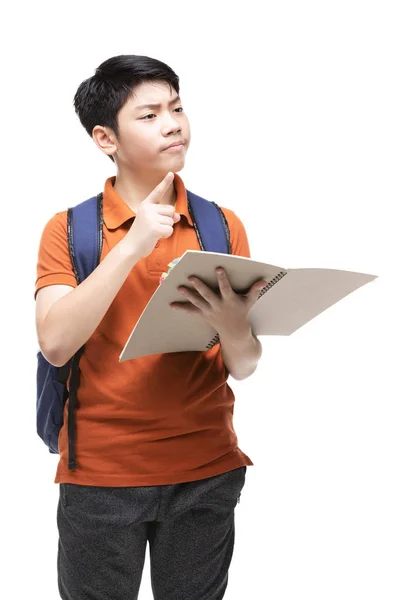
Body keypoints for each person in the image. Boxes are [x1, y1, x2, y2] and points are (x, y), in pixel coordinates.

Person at [34, 54, 266, 600]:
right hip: (101, 478)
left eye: (177, 107)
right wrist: (133, 244)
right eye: (150, 114)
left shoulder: (219, 224)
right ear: (104, 138)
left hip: (207, 470)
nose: (173, 123)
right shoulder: (69, 230)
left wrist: (234, 327)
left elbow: (246, 364)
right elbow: (55, 342)